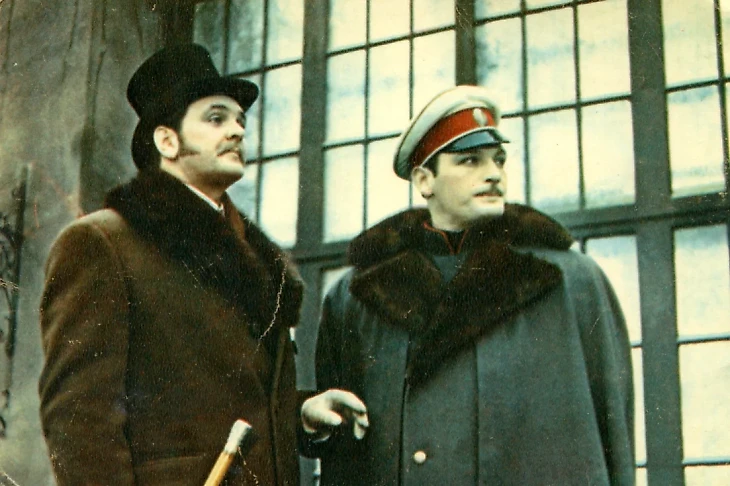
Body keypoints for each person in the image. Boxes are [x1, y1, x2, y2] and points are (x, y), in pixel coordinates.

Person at [300, 85, 635, 485]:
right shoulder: (356, 296)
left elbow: (613, 434)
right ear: (425, 180)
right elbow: (342, 450)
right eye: (470, 161)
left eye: (498, 160)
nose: (493, 174)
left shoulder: (570, 282)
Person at [38, 44, 304, 485]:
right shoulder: (103, 244)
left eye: (240, 121)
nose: (237, 131)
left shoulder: (249, 255)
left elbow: (230, 400)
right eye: (216, 119)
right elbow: (79, 424)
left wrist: (301, 411)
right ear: (167, 141)